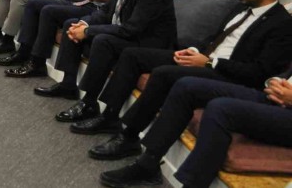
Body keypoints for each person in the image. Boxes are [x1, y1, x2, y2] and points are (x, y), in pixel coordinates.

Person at [85, 0, 292, 163]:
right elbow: (214, 39)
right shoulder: (242, 8)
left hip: (227, 74)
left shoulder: (282, 24)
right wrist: (194, 51)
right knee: (133, 55)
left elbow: (260, 72)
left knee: (165, 74)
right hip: (205, 59)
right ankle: (110, 115)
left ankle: (129, 137)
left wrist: (210, 63)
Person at [35, 0, 177, 126]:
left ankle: (89, 102)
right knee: (73, 23)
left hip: (148, 42)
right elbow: (106, 12)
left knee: (103, 41)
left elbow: (131, 29)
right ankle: (68, 84)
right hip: (127, 33)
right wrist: (84, 24)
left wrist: (88, 31)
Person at [99, 72, 292, 188]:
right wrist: (276, 82)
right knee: (187, 86)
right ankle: (148, 163)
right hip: (276, 97)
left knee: (221, 109)